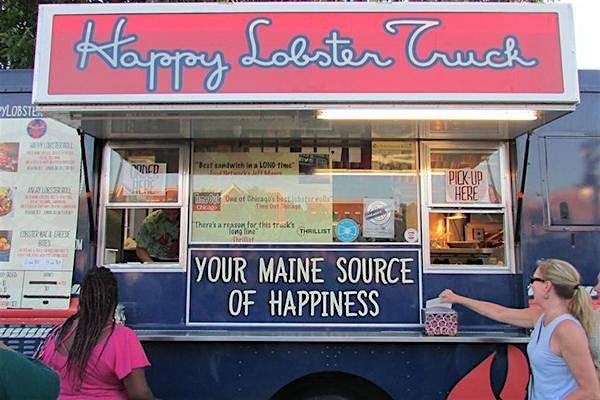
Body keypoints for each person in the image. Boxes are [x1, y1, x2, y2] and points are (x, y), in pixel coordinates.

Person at [440, 258, 600, 400]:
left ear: (547, 286)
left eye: (534, 279)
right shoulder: (541, 318)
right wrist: (457, 298)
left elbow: (590, 392)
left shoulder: (566, 330)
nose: (530, 284)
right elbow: (500, 312)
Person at [36, 267, 155, 400]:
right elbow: (140, 394)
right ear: (113, 301)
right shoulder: (122, 338)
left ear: (82, 299)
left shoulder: (57, 333)